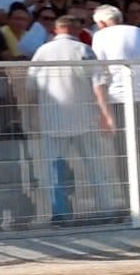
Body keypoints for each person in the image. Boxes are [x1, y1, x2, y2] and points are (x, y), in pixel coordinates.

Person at [26, 15, 123, 226]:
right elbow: (99, 86)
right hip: (84, 119)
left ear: (55, 30)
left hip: (52, 121)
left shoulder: (41, 52)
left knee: (54, 170)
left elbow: (31, 91)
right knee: (96, 167)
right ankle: (105, 210)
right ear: (76, 29)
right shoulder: (84, 50)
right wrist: (106, 115)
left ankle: (60, 215)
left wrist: (34, 118)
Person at [90, 4, 140, 207]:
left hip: (119, 98)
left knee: (122, 150)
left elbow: (99, 73)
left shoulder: (100, 37)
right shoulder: (139, 32)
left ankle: (131, 197)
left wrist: (103, 112)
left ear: (101, 23)